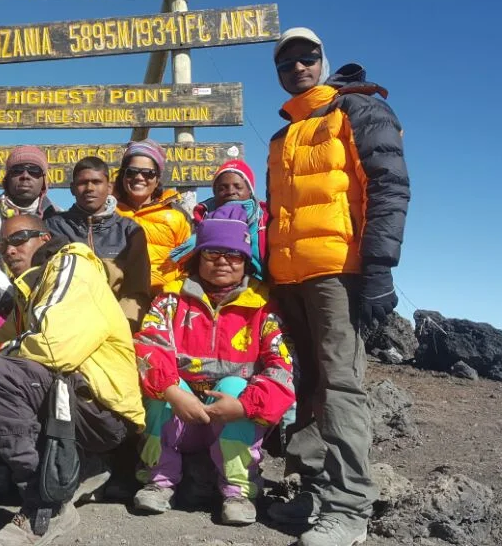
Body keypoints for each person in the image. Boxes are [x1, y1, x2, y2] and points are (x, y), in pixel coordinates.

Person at [264, 27, 410, 546]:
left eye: (307, 59)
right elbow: (278, 215)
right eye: (287, 64)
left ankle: (349, 508)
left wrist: (379, 268)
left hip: (337, 273)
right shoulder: (283, 136)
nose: (298, 68)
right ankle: (309, 490)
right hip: (288, 278)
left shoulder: (358, 111)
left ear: (323, 61)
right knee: (306, 384)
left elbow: (388, 186)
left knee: (342, 385)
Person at [0, 216, 144, 546]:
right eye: (2, 245)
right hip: (76, 406)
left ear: (44, 238)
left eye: (19, 239)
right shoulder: (27, 294)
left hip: (103, 411)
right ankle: (82, 466)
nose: (9, 250)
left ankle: (46, 502)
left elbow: (55, 349)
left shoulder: (72, 265)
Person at [132, 209, 295, 526]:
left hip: (233, 420)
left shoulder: (263, 305)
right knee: (159, 388)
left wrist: (243, 405)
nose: (223, 261)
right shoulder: (170, 299)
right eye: (213, 252)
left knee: (236, 386)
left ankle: (238, 491)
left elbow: (281, 367)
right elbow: (149, 346)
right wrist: (174, 393)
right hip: (180, 416)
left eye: (234, 254)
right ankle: (159, 480)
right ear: (198, 256)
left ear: (246, 261)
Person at [45, 156, 150, 328]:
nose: (89, 188)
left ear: (109, 187)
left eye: (96, 182)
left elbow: (136, 292)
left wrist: (118, 330)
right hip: (65, 327)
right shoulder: (53, 227)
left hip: (116, 328)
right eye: (82, 183)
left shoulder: (129, 231)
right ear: (72, 188)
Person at [0, 146, 58, 338]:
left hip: (47, 303)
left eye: (34, 171)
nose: (25, 176)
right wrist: (14, 302)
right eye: (17, 170)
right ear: (6, 178)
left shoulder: (57, 216)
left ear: (43, 181)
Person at [113, 139, 192, 294]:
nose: (140, 178)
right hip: (117, 300)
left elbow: (190, 265)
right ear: (123, 176)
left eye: (148, 173)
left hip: (165, 299)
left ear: (157, 180)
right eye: (132, 172)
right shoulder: (107, 212)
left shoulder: (177, 215)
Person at [169, 159, 268, 281]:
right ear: (215, 192)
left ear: (250, 191)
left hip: (260, 291)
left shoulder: (266, 220)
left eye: (238, 187)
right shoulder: (197, 222)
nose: (231, 192)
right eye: (223, 188)